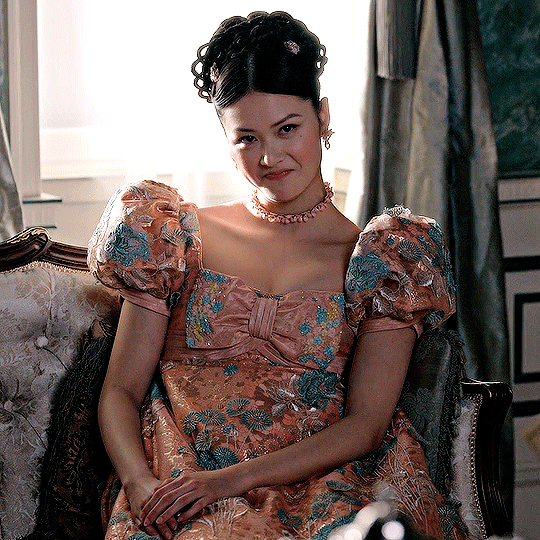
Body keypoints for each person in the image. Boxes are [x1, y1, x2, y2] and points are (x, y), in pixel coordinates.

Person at [88, 11, 467, 540]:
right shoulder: (172, 237)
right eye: (247, 138)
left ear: (323, 117)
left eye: (288, 128)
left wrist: (229, 481)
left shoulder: (384, 259)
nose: (270, 156)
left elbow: (367, 424)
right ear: (226, 139)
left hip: (324, 489)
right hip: (180, 493)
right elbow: (120, 391)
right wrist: (138, 482)